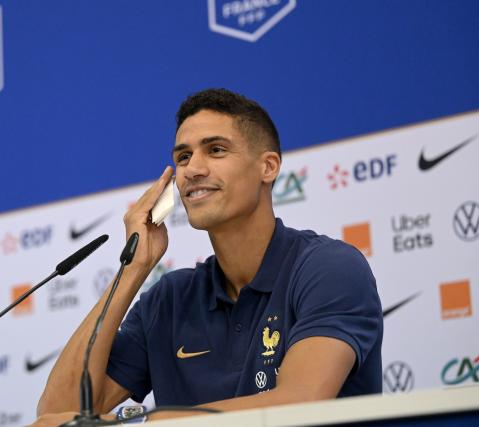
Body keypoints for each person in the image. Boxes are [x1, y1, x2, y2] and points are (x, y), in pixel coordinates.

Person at [33, 88, 383, 424]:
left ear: (268, 167)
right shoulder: (168, 299)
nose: (192, 169)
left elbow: (298, 403)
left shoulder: (329, 269)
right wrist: (133, 269)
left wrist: (136, 422)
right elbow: (59, 414)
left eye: (215, 150)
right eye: (183, 157)